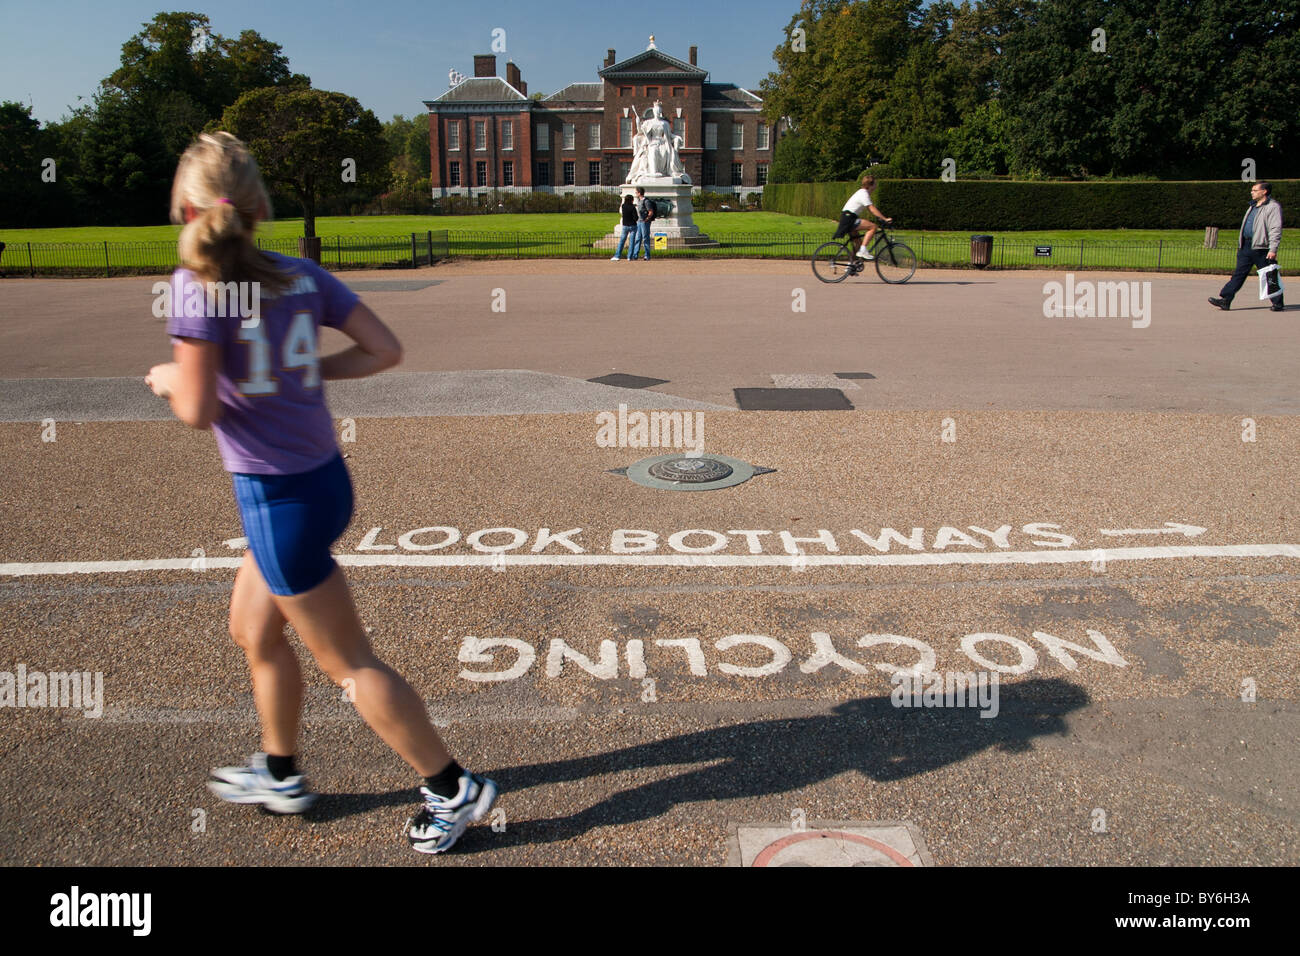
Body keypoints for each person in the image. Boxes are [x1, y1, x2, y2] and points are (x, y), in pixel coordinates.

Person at [145, 132, 497, 855]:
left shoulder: (198, 285)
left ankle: (452, 785)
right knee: (254, 630)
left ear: (186, 209)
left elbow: (197, 409)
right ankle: (280, 772)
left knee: (349, 663)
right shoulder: (300, 275)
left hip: (279, 504)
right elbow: (385, 350)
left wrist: (165, 378)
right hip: (324, 483)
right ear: (257, 207)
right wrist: (310, 376)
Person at [1210, 181, 1284, 312]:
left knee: (1270, 275)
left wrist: (1273, 249)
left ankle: (1277, 303)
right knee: (1238, 274)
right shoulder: (1253, 206)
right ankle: (1226, 300)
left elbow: (1275, 229)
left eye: (1255, 190)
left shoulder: (1272, 207)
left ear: (1264, 191)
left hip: (1262, 248)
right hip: (1246, 246)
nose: (1252, 192)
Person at [835, 174, 891, 266]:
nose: (876, 186)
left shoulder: (862, 192)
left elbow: (870, 209)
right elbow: (872, 208)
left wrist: (879, 217)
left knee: (858, 244)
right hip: (849, 218)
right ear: (870, 185)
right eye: (875, 184)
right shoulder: (864, 194)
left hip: (847, 217)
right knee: (873, 227)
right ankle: (863, 250)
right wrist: (884, 219)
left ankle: (850, 266)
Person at [631, 186, 655, 261]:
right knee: (638, 238)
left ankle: (647, 255)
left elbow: (650, 212)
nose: (635, 193)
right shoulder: (639, 201)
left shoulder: (646, 201)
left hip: (644, 222)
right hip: (639, 221)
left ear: (639, 193)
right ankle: (635, 255)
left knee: (645, 238)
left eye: (636, 192)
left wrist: (647, 219)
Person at [611, 193, 638, 260]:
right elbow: (636, 218)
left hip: (625, 225)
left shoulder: (623, 206)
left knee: (622, 241)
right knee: (632, 242)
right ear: (631, 200)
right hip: (632, 225)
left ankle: (617, 255)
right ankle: (629, 256)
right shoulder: (632, 207)